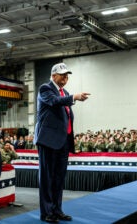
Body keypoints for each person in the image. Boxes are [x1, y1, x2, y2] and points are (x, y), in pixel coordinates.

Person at [34, 62, 90, 223]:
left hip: (63, 141)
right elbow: (54, 102)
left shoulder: (64, 91)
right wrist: (74, 97)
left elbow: (63, 107)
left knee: (58, 178)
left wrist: (71, 97)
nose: (66, 77)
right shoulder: (45, 89)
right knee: (47, 178)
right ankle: (46, 213)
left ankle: (57, 210)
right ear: (53, 76)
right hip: (48, 140)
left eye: (67, 75)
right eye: (63, 74)